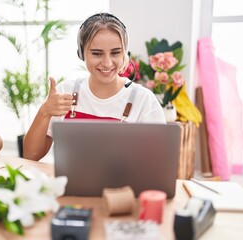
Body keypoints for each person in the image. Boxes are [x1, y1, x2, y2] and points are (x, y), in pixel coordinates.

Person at [23, 13, 165, 161]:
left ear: (125, 54)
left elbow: (159, 163)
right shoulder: (65, 92)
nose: (107, 63)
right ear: (81, 53)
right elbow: (31, 155)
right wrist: (44, 111)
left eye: (115, 53)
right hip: (70, 184)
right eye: (97, 53)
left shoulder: (144, 101)